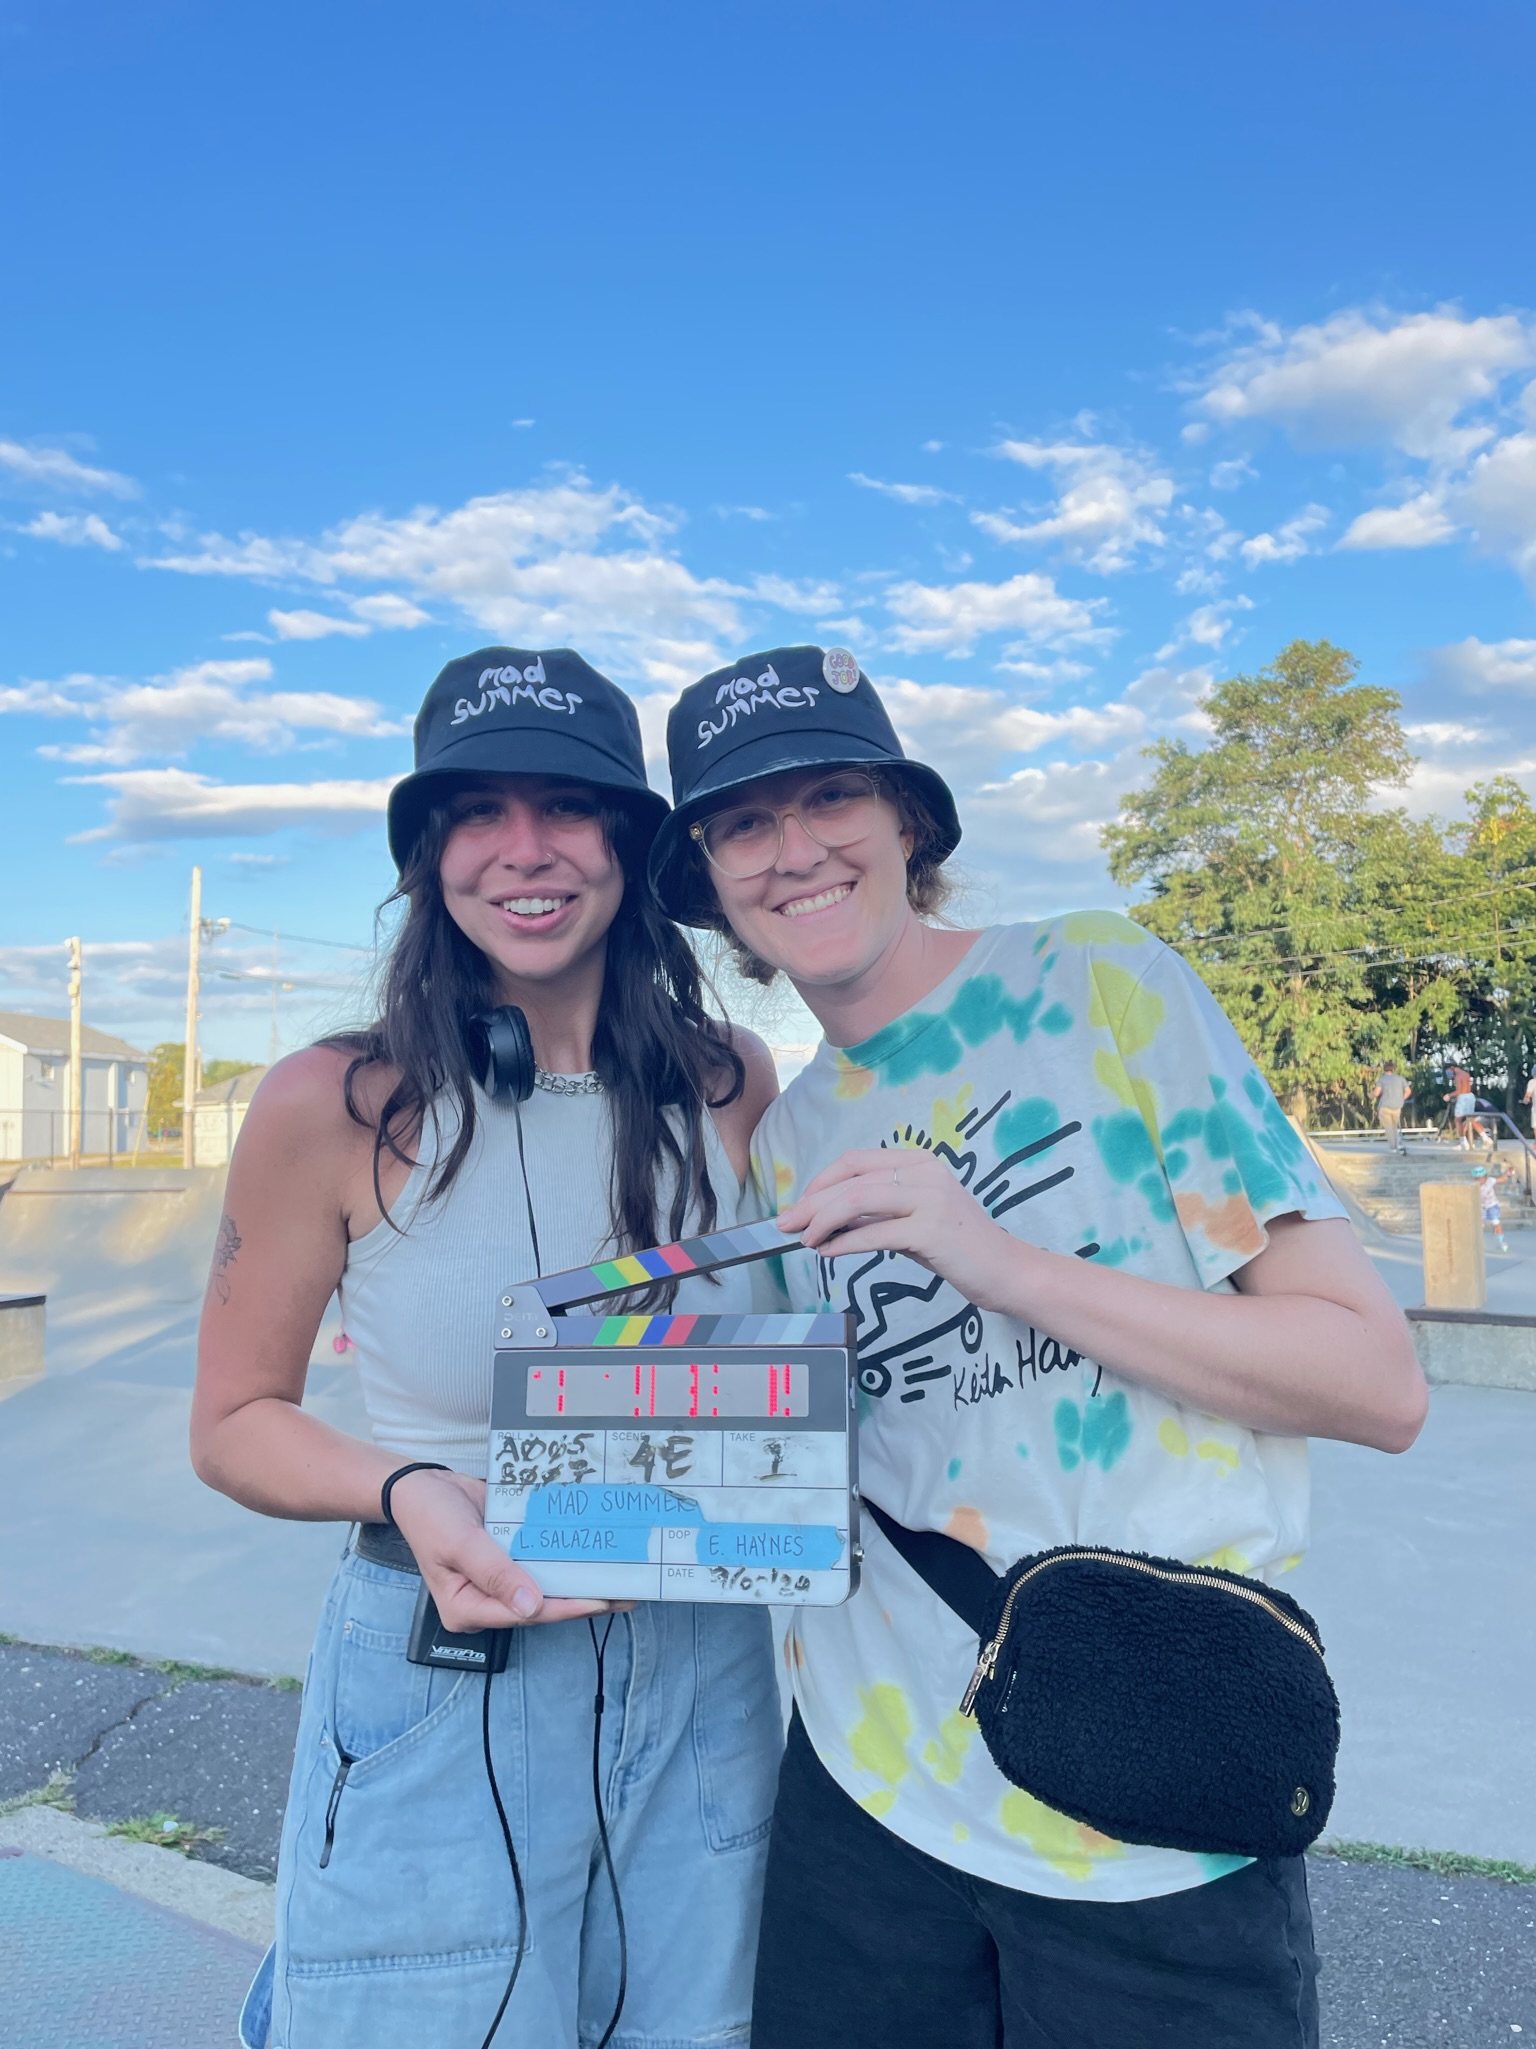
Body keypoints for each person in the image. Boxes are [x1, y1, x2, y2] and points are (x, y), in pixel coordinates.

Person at [650, 645, 1429, 2049]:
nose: (794, 850)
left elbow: (1375, 1384)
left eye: (831, 797)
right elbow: (796, 1469)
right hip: (865, 1797)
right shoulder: (787, 1141)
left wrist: (1001, 1262)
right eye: (742, 825)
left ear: (909, 822)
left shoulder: (1100, 981)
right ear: (709, 880)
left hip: (1143, 1791)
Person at [191, 648, 780, 2049]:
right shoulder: (332, 1102)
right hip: (443, 1658)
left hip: (703, 1664)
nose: (526, 849)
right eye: (477, 812)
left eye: (568, 806)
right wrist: (408, 1488)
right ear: (429, 854)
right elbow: (233, 1422)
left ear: (629, 842)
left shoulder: (730, 1080)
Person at [1373, 1063, 1410, 1151]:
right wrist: (1401, 1099)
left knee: (1389, 1128)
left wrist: (1370, 1095)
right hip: (1397, 1107)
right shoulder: (1400, 1079)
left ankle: (1394, 1147)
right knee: (1395, 1127)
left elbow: (1376, 1093)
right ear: (1393, 1069)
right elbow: (1408, 1091)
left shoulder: (1382, 1079)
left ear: (1384, 1069)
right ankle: (1398, 1144)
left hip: (1385, 1107)